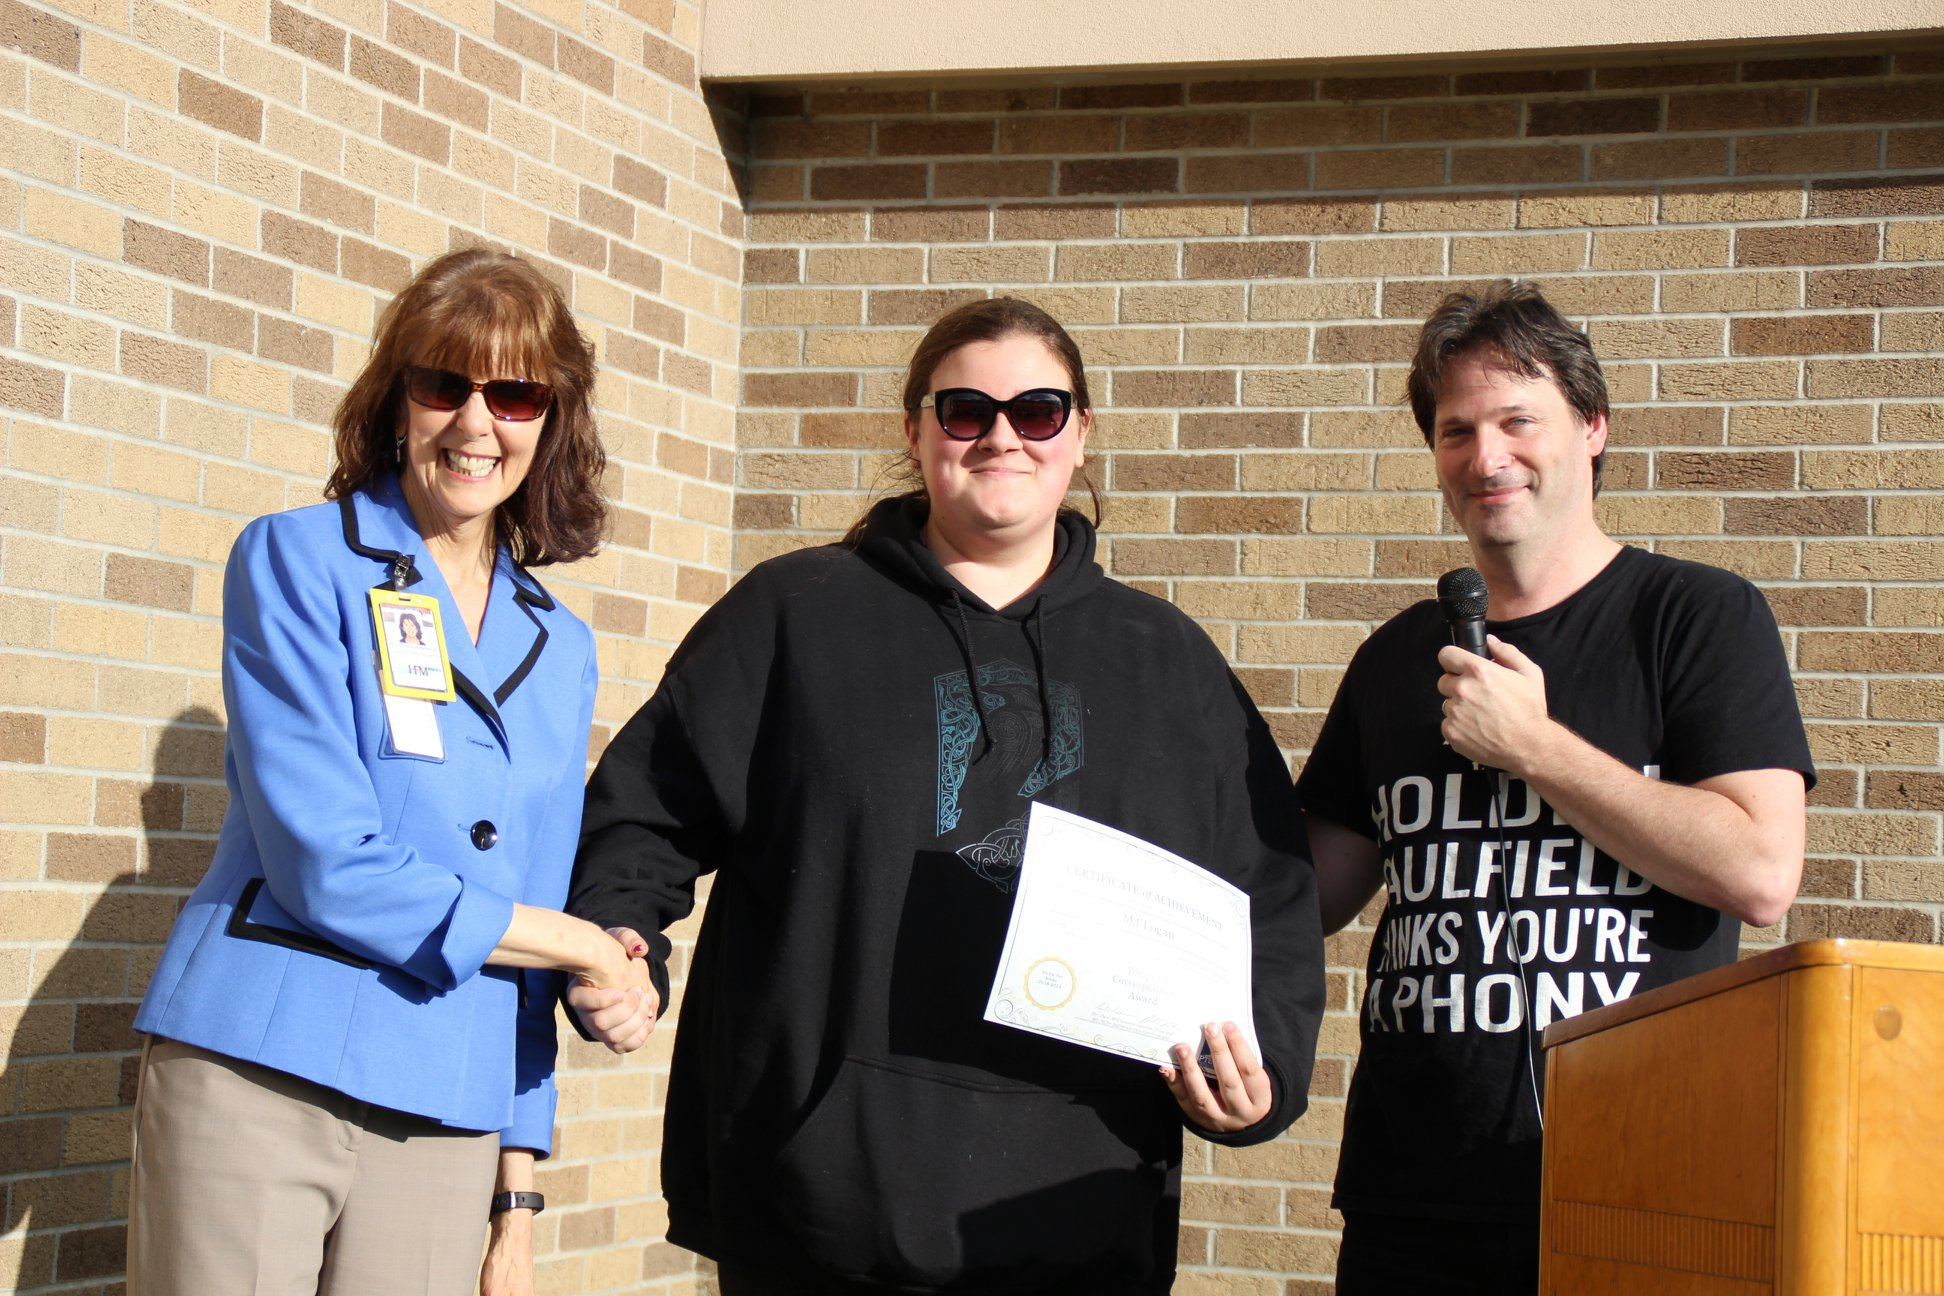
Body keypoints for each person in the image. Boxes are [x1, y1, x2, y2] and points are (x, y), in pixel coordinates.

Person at [565, 297, 1325, 1294]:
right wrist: (617, 941)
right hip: (818, 1219)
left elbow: (1263, 895)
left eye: (1039, 411)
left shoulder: (1169, 665)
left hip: (1079, 1214)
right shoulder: (794, 617)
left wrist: (1258, 1073)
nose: (1002, 435)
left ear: (1080, 433)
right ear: (917, 428)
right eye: (966, 410)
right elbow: (645, 813)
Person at [128, 249, 653, 1296]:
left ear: (551, 422)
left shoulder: (564, 645)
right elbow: (326, 863)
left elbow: (532, 895)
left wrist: (518, 1196)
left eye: (513, 394)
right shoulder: (295, 559)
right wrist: (587, 946)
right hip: (260, 1073)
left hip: (450, 1111)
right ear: (395, 400)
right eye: (442, 384)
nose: (474, 423)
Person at [1296, 279, 1814, 1293]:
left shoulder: (1695, 619)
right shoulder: (1397, 659)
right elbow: (1305, 889)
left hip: (1636, 1186)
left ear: (1591, 428)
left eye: (1515, 421)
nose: (1486, 458)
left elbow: (1760, 871)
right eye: (1456, 431)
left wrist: (1536, 748)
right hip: (1417, 1197)